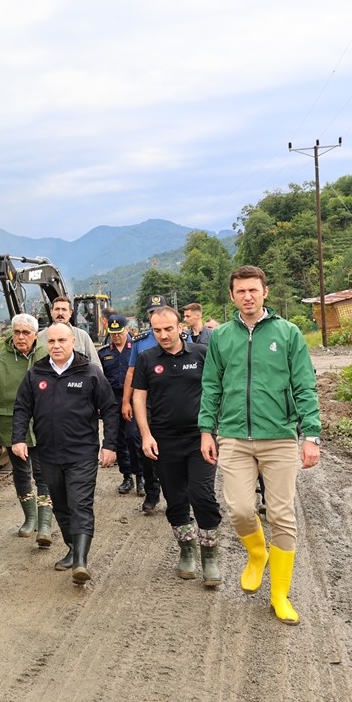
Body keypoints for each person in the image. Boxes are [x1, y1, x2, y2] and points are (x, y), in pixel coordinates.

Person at [199, 265, 321, 625]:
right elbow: (211, 386)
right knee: (238, 509)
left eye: (254, 290)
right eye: (241, 291)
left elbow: (304, 385)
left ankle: (280, 595)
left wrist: (310, 435)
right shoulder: (221, 337)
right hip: (234, 436)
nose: (248, 296)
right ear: (232, 296)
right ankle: (257, 554)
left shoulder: (288, 333)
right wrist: (207, 430)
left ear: (265, 292)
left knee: (283, 516)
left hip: (279, 438)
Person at [12, 323, 119, 585]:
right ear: (45, 344)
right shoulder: (36, 373)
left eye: (62, 340)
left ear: (73, 341)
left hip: (82, 452)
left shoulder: (90, 372)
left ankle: (81, 562)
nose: (56, 345)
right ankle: (73, 549)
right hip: (48, 453)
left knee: (79, 504)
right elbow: (22, 408)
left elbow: (111, 409)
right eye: (51, 341)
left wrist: (110, 445)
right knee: (60, 504)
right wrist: (18, 439)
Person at [132, 306, 222, 587]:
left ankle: (209, 555)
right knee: (176, 498)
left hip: (200, 439)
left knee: (203, 494)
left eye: (168, 329)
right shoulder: (147, 359)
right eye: (157, 330)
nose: (163, 335)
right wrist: (146, 435)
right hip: (164, 441)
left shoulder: (201, 355)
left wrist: (213, 430)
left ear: (180, 326)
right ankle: (186, 551)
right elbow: (138, 399)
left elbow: (216, 391)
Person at [0, 313, 53, 545]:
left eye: (26, 333)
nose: (20, 337)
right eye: (17, 332)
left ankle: (45, 523)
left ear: (35, 335)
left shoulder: (46, 356)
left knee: (43, 473)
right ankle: (30, 518)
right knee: (21, 473)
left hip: (43, 425)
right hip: (11, 425)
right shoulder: (0, 359)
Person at [120, 293, 169, 513]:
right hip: (147, 402)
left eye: (160, 311)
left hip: (173, 401)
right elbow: (131, 372)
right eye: (152, 313)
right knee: (147, 447)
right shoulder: (140, 342)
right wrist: (126, 402)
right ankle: (152, 493)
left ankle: (178, 495)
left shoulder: (182, 337)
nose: (156, 315)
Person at [97, 313, 142, 495]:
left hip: (133, 398)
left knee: (133, 436)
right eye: (112, 333)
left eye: (119, 332)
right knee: (118, 439)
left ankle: (141, 476)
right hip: (112, 400)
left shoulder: (137, 349)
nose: (116, 336)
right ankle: (127, 477)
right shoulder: (104, 353)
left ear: (127, 330)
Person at [38, 297, 101, 369]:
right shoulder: (40, 337)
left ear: (70, 313)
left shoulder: (82, 336)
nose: (60, 313)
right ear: (51, 312)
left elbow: (96, 366)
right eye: (57, 309)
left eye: (64, 309)